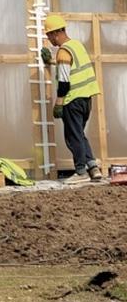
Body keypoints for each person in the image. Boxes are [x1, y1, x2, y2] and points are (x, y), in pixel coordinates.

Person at [41, 14, 101, 184]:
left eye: (49, 35)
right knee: (79, 134)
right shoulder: (76, 45)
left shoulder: (63, 52)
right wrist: (51, 62)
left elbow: (64, 81)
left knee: (73, 137)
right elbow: (72, 66)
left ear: (55, 33)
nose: (49, 39)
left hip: (72, 99)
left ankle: (80, 171)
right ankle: (93, 168)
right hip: (86, 98)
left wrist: (59, 102)